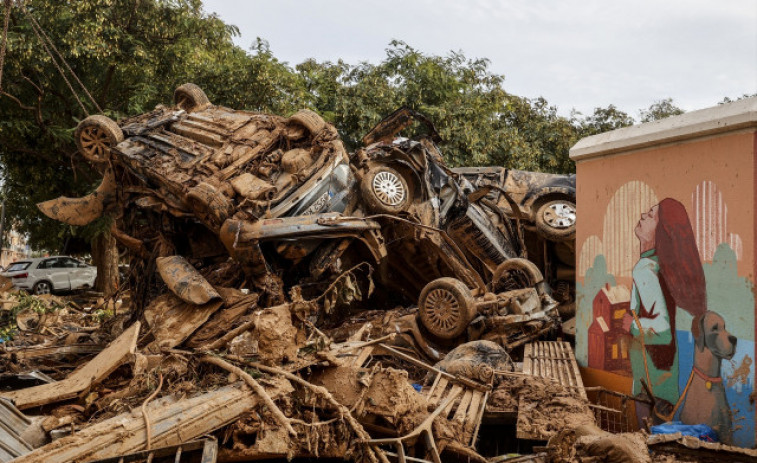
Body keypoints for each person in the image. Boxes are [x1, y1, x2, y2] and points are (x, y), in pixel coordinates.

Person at [621, 198, 706, 418]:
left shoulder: (646, 269)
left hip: (650, 384)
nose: (642, 216)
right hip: (663, 381)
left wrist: (632, 325)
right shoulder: (660, 266)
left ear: (660, 231)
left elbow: (662, 329)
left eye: (650, 215)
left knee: (648, 443)